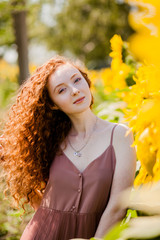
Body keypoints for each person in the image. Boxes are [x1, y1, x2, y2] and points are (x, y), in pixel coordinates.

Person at [0, 55, 136, 240]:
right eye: (61, 90)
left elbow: (117, 207)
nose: (74, 91)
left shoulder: (121, 136)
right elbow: (42, 204)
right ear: (53, 104)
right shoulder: (51, 140)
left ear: (87, 82)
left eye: (77, 80)